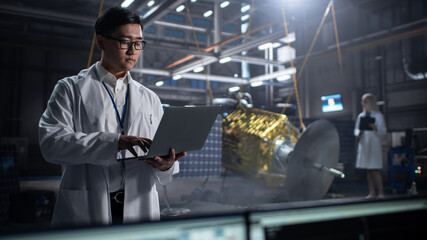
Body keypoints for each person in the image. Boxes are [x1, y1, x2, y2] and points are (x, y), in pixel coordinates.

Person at [39, 7, 185, 227]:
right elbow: (52, 144)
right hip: (89, 206)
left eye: (138, 43)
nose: (133, 51)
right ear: (101, 42)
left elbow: (165, 172)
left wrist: (166, 165)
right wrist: (114, 143)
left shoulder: (150, 98)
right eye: (125, 42)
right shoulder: (70, 89)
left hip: (140, 205)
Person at [354, 93, 387, 198]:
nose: (364, 104)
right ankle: (371, 193)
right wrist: (360, 131)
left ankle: (381, 193)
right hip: (365, 146)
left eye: (366, 102)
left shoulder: (378, 115)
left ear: (371, 103)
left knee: (375, 170)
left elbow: (384, 131)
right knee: (368, 171)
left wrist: (375, 127)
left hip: (374, 146)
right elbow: (356, 130)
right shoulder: (361, 116)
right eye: (363, 102)